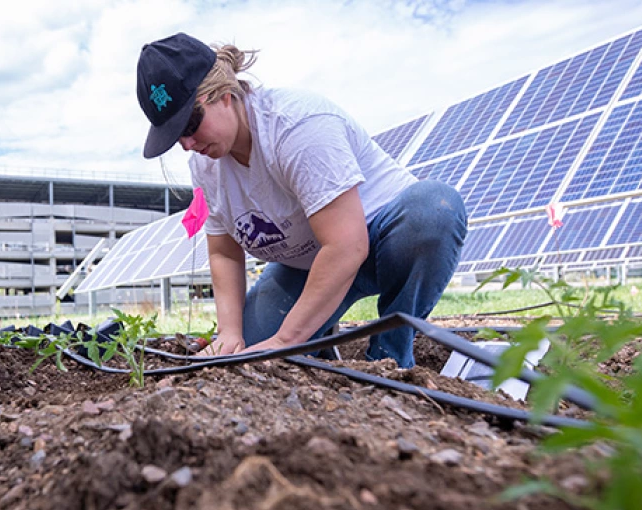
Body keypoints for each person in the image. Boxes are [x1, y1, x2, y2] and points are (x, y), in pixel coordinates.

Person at [135, 33, 467, 368]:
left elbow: (347, 246)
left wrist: (285, 341)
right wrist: (230, 333)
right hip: (307, 266)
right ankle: (317, 338)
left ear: (224, 94)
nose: (188, 144)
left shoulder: (297, 127)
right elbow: (223, 251)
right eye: (176, 135)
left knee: (433, 210)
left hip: (381, 240)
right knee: (244, 356)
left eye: (191, 124)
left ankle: (390, 358)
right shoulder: (205, 165)